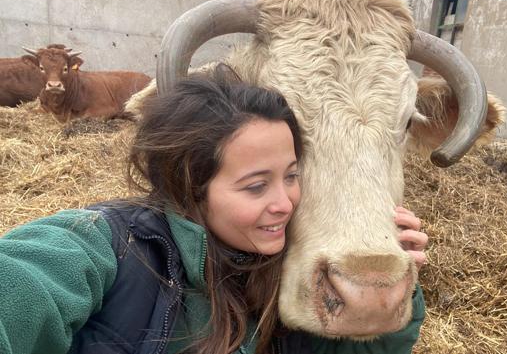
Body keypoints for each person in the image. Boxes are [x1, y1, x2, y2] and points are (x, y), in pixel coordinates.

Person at [0, 66, 428, 354]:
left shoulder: (279, 268)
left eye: (293, 175)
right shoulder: (106, 245)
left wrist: (392, 279)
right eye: (256, 185)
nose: (285, 204)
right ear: (192, 183)